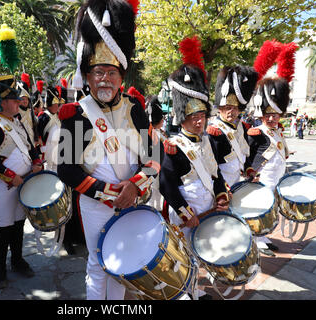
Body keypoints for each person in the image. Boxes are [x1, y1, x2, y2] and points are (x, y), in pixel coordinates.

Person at [57, 0, 161, 300]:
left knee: (123, 261)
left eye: (111, 73)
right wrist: (110, 193)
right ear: (87, 77)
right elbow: (67, 170)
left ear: (121, 77)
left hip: (133, 195)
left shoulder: (135, 108)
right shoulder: (76, 114)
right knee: (99, 262)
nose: (104, 79)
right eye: (97, 72)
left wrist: (136, 185)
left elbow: (153, 155)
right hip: (96, 202)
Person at [159, 37, 230, 300]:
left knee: (201, 253)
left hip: (209, 208)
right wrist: (186, 213)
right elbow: (166, 185)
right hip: (188, 214)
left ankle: (196, 290)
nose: (199, 121)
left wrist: (221, 195)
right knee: (186, 256)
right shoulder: (173, 147)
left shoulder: (208, 141)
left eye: (202, 116)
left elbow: (216, 174)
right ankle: (186, 294)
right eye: (193, 117)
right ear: (183, 117)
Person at [0, 74, 43, 289]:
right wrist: (11, 176)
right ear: (3, 103)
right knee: (3, 228)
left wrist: (37, 161)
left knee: (19, 224)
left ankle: (18, 260)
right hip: (2, 185)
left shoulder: (18, 122)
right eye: (14, 100)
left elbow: (30, 146)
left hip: (23, 182)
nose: (19, 102)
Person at [244, 41, 298, 256]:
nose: (273, 118)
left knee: (270, 209)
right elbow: (249, 156)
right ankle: (256, 239)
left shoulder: (278, 130)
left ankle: (263, 236)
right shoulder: (256, 132)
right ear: (263, 115)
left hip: (276, 175)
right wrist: (251, 173)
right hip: (262, 177)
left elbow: (279, 149)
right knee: (260, 209)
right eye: (269, 115)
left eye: (276, 114)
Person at [207, 65, 258, 188]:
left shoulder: (241, 127)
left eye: (235, 108)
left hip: (236, 180)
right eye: (227, 108)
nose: (231, 111)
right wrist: (221, 188)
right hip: (219, 184)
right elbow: (210, 167)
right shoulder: (214, 131)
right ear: (220, 108)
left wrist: (249, 169)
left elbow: (243, 154)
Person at [37, 85, 66, 172]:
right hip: (47, 148)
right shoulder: (43, 116)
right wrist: (42, 148)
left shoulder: (57, 117)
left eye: (58, 104)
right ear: (49, 105)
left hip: (57, 147)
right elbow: (38, 133)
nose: (57, 106)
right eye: (55, 104)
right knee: (47, 169)